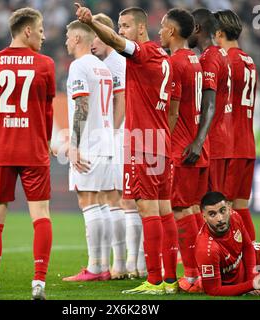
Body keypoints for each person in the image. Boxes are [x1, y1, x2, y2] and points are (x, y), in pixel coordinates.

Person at [76, 3, 179, 295]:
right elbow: (173, 109)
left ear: (140, 28)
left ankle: (156, 280)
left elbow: (115, 42)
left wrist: (91, 23)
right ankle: (170, 280)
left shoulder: (143, 52)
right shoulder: (165, 57)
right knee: (164, 210)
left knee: (146, 210)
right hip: (160, 140)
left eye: (125, 25)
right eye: (119, 26)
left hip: (142, 141)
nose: (121, 31)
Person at [0, 7, 55, 300]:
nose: (44, 37)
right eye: (41, 31)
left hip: (2, 152)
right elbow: (47, 111)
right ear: (27, 30)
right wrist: (43, 141)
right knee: (41, 215)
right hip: (33, 150)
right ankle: (39, 285)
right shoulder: (45, 65)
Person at [159, 8, 211, 294]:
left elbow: (173, 112)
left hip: (180, 147)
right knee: (193, 210)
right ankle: (206, 270)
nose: (159, 31)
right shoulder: (195, 59)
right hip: (198, 147)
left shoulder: (176, 63)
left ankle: (192, 275)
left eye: (163, 27)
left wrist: (163, 144)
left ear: (173, 32)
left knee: (180, 210)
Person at [91, 13, 147, 280]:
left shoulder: (115, 63)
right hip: (127, 135)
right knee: (123, 200)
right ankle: (131, 263)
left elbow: (122, 99)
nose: (93, 43)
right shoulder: (112, 62)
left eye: (96, 36)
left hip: (123, 136)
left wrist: (109, 133)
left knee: (123, 200)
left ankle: (129, 264)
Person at [62, 20, 115, 282]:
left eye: (69, 37)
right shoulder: (102, 67)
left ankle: (96, 268)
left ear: (79, 39)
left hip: (89, 145)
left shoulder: (79, 66)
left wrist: (73, 145)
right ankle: (103, 266)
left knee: (88, 203)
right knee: (101, 204)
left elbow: (81, 106)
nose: (66, 42)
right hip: (106, 142)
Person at [214, 10, 257, 241]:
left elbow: (222, 106)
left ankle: (234, 260)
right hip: (247, 143)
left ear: (219, 33)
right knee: (240, 206)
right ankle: (253, 260)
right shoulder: (249, 61)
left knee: (223, 208)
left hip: (229, 145)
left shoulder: (227, 61)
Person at [189, 9, 233, 194]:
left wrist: (198, 141)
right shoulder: (220, 54)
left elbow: (210, 104)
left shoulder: (210, 58)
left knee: (210, 207)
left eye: (188, 28)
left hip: (213, 143)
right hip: (221, 140)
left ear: (197, 28)